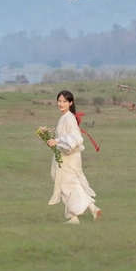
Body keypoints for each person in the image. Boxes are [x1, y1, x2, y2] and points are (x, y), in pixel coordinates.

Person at [46, 90, 102, 225]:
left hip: (69, 158)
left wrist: (58, 141)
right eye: (59, 101)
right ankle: (88, 210)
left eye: (64, 101)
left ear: (70, 103)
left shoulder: (69, 118)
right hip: (65, 155)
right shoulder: (65, 117)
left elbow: (76, 138)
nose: (61, 104)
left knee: (68, 184)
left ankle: (75, 216)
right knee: (68, 183)